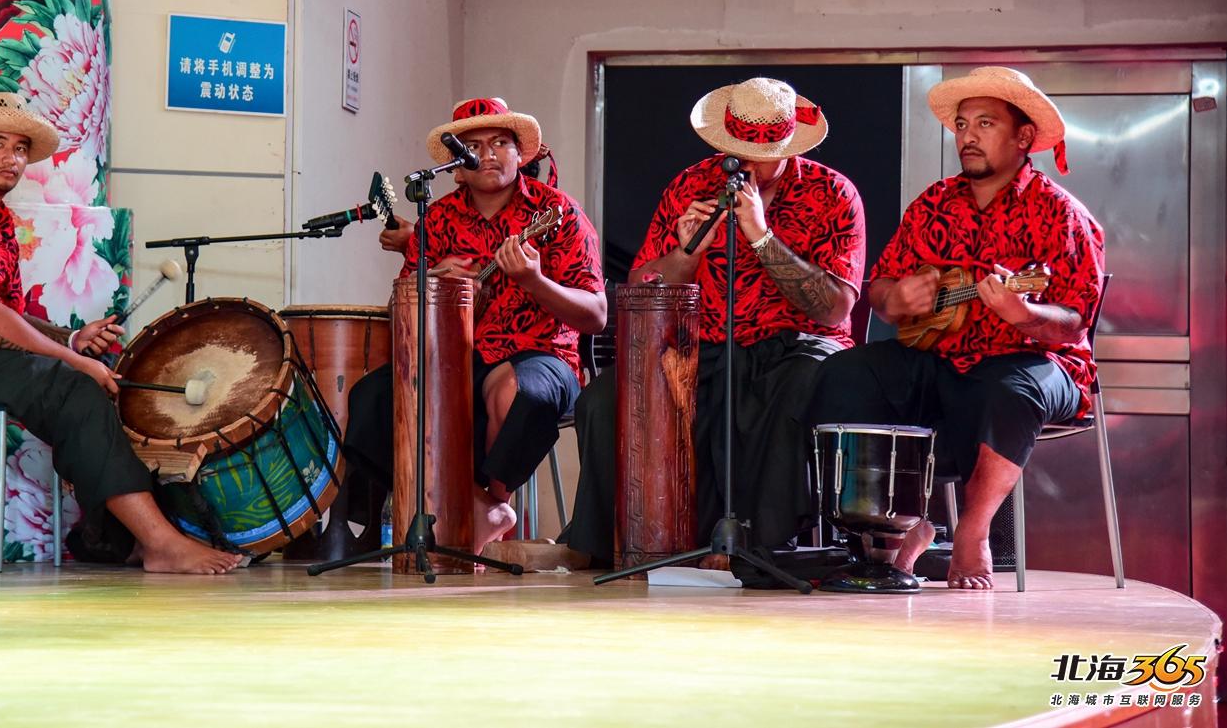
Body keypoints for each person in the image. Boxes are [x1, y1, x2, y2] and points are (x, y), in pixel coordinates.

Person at [0, 93, 242, 574]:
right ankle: (160, 543)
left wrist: (72, 340)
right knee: (72, 385)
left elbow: (6, 315)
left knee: (106, 375)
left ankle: (114, 539)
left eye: (21, 148)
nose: (13, 158)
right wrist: (72, 362)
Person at [809, 66, 1104, 590]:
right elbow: (879, 285)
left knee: (1010, 388)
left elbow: (1074, 320)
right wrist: (895, 298)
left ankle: (972, 531)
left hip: (1036, 364)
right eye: (962, 124)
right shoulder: (932, 205)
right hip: (941, 357)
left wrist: (1027, 315)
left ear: (1023, 138)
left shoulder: (1060, 215)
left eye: (985, 124)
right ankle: (888, 531)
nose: (967, 136)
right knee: (848, 370)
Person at [560, 77, 865, 567]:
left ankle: (758, 545)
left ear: (787, 147)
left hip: (796, 344)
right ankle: (619, 541)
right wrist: (686, 254)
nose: (743, 163)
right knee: (607, 398)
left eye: (756, 152)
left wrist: (761, 236)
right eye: (733, 149)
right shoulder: (689, 184)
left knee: (795, 388)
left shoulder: (833, 193)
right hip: (701, 344)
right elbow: (641, 289)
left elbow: (834, 308)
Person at [344, 98, 607, 552]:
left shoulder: (558, 212)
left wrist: (535, 280)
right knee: (370, 399)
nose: (488, 154)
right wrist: (436, 288)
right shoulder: (438, 220)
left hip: (543, 354)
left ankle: (491, 499)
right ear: (457, 167)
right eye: (474, 146)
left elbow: (597, 315)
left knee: (516, 390)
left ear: (519, 154)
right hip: (456, 356)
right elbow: (402, 313)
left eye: (500, 142)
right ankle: (479, 508)